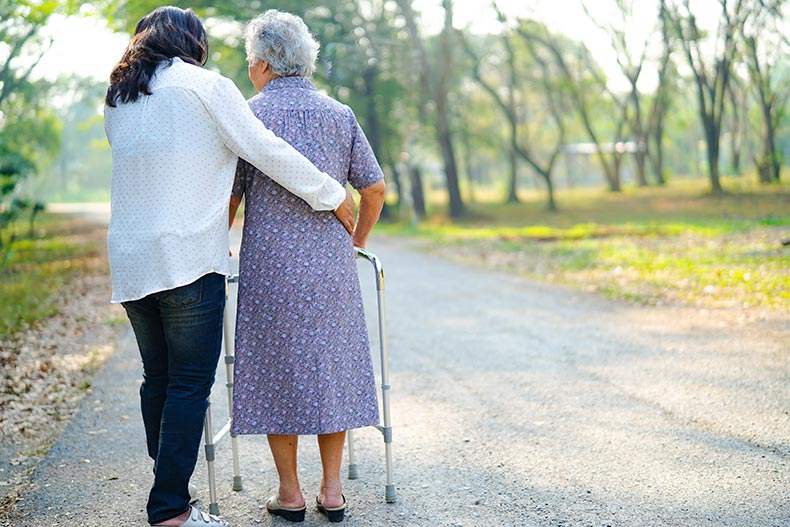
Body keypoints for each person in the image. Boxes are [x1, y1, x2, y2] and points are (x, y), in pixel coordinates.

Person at [104, 6, 356, 527]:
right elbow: (264, 149)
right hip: (188, 255)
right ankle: (170, 508)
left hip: (131, 256)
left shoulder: (120, 95)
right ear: (191, 43)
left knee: (158, 377)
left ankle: (170, 490)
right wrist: (332, 193)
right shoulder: (205, 86)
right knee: (189, 383)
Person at [228, 10, 387, 524]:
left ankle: (290, 493)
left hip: (270, 267)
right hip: (330, 268)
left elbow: (229, 196)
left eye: (251, 60)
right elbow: (374, 188)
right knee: (330, 370)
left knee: (279, 370)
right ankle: (334, 490)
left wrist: (219, 243)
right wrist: (357, 240)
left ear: (264, 64)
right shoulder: (339, 114)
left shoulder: (247, 116)